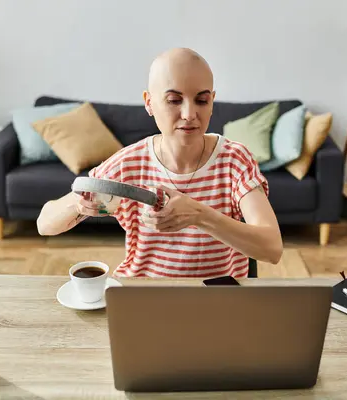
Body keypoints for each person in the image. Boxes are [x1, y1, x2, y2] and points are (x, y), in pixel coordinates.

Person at [36, 48, 283, 278]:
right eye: (174, 100)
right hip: (142, 298)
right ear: (149, 102)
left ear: (212, 102)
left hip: (219, 300)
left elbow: (272, 248)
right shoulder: (128, 164)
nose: (189, 114)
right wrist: (78, 206)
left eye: (201, 100)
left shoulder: (235, 160)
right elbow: (44, 224)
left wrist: (199, 214)